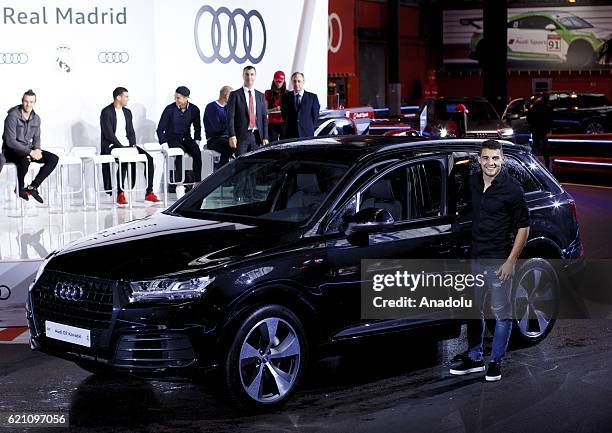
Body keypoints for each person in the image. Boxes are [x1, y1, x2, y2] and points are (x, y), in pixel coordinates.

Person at [450, 140, 530, 382]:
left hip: (498, 260)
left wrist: (511, 261)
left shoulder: (512, 188)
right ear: (479, 159)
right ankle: (475, 357)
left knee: (501, 314)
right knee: (473, 311)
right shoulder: (474, 182)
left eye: (495, 158)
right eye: (486, 158)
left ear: (502, 159)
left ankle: (495, 361)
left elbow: (524, 228)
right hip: (476, 257)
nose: (490, 163)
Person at [100, 87, 160, 206]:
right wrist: (121, 146)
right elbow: (108, 134)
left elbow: (131, 131)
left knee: (149, 159)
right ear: (118, 97)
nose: (128, 99)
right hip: (113, 145)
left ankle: (149, 193)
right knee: (124, 160)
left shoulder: (127, 112)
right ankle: (120, 194)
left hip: (128, 146)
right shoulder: (106, 112)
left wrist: (133, 144)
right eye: (126, 96)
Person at [2, 89, 58, 203]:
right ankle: (20, 188)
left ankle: (33, 187)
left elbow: (37, 137)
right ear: (22, 101)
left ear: (34, 102)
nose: (28, 104)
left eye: (31, 102)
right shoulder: (12, 117)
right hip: (11, 150)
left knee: (53, 159)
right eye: (26, 101)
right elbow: (10, 141)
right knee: (25, 158)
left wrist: (37, 149)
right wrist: (30, 153)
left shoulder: (36, 119)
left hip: (28, 148)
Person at [157, 86, 203, 187]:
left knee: (197, 152)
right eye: (175, 97)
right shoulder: (169, 109)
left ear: (186, 98)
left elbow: (197, 127)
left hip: (186, 138)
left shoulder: (194, 109)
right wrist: (164, 143)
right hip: (172, 139)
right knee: (179, 153)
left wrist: (197, 140)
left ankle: (198, 182)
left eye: (178, 98)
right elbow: (160, 129)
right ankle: (179, 185)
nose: (176, 100)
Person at [226, 65, 269, 157]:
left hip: (257, 137)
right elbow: (230, 117)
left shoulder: (260, 95)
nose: (249, 77)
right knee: (241, 165)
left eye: (252, 74)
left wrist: (265, 137)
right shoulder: (235, 95)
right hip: (241, 136)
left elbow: (264, 118)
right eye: (247, 74)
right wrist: (232, 135)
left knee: (256, 165)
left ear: (255, 76)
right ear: (243, 76)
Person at [281, 72, 320, 139]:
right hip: (290, 134)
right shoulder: (286, 97)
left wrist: (308, 127)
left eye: (299, 81)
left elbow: (315, 116)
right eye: (294, 81)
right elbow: (284, 115)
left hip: (307, 134)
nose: (296, 84)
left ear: (303, 82)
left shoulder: (312, 97)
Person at [203, 86, 233, 167]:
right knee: (229, 146)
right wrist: (230, 122)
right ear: (226, 95)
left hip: (227, 138)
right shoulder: (211, 107)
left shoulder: (229, 108)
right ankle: (222, 170)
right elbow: (217, 128)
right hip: (214, 139)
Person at [526, 94, 553, 171]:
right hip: (544, 130)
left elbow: (529, 117)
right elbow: (549, 120)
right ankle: (547, 166)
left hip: (536, 129)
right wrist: (549, 129)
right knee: (545, 149)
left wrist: (531, 127)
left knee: (535, 147)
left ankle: (534, 165)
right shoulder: (548, 107)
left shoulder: (535, 106)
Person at [264, 70, 287, 141]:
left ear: (284, 81)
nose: (278, 83)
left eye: (280, 81)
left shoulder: (288, 93)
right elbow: (265, 111)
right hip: (272, 123)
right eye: (276, 81)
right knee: (273, 145)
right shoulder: (268, 93)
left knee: (285, 144)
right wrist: (275, 109)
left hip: (284, 122)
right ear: (273, 81)